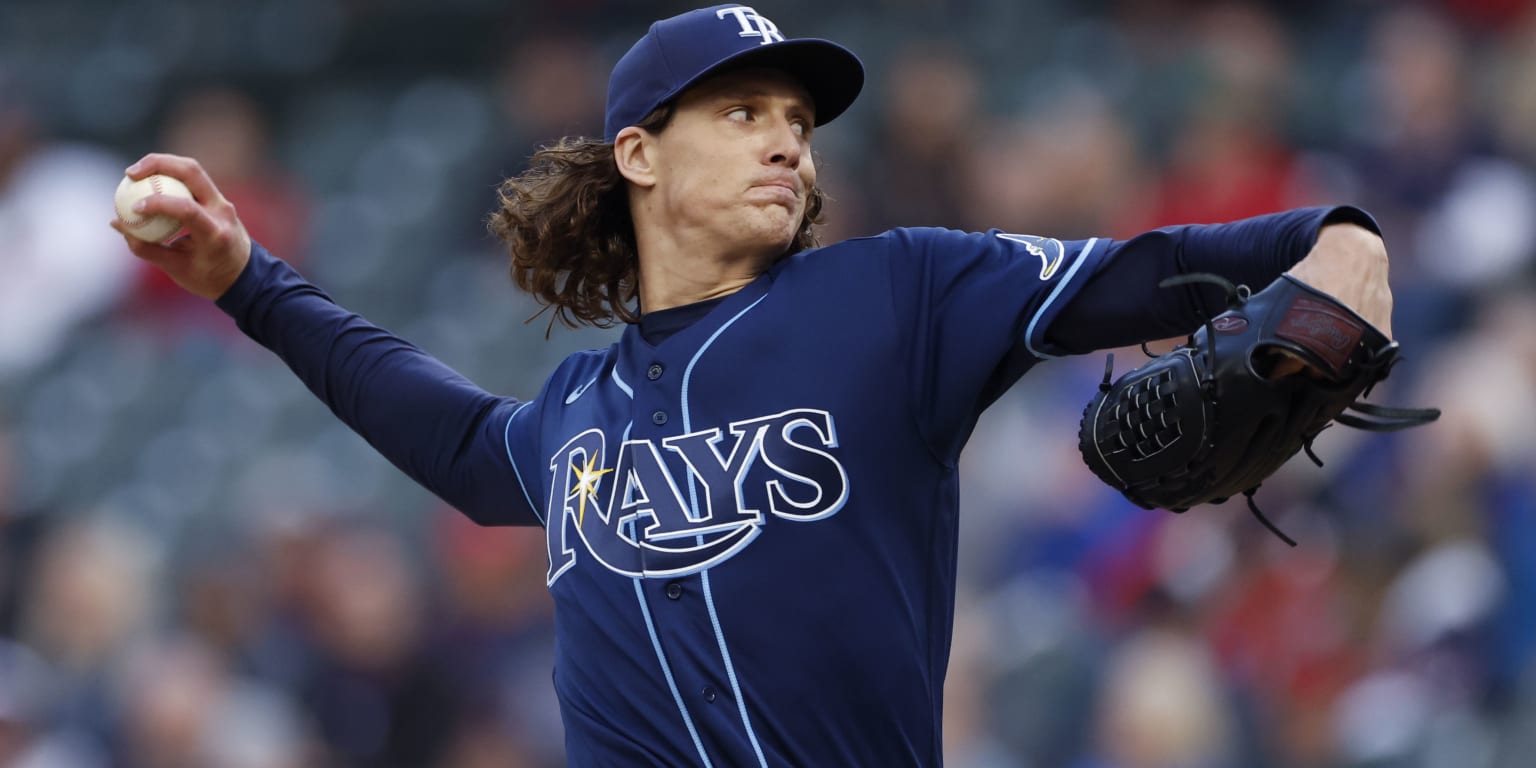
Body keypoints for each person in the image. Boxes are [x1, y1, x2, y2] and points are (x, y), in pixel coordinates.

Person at [113, 5, 1396, 765]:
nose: (786, 133)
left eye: (796, 113)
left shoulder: (899, 295)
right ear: (639, 154)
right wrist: (246, 279)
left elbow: (1164, 266)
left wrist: (1343, 241)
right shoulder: (574, 417)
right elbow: (441, 430)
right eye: (738, 111)